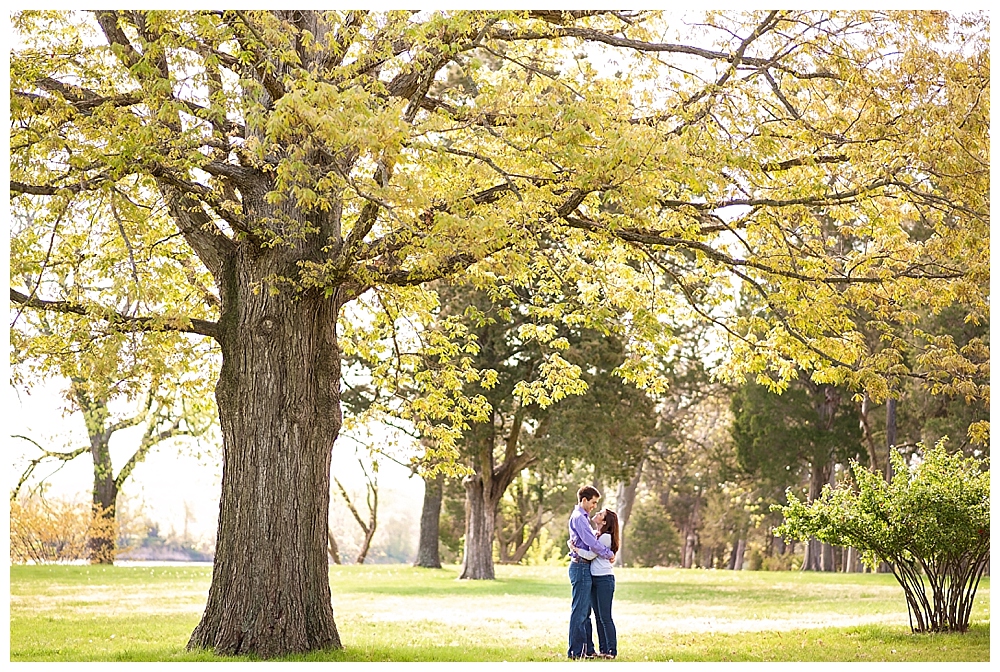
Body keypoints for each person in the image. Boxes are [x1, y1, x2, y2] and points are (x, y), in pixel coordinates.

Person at [567, 486, 614, 659]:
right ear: (584, 500)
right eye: (593, 502)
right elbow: (591, 543)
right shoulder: (580, 517)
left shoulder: (583, 518)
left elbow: (588, 539)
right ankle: (575, 652)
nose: (595, 505)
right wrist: (609, 554)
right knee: (579, 612)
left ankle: (587, 650)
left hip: (584, 566)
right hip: (580, 566)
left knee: (584, 613)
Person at [574, 508, 619, 659]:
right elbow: (590, 538)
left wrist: (574, 549)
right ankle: (604, 650)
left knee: (605, 617)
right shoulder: (598, 535)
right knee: (598, 617)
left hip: (604, 579)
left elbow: (590, 555)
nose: (597, 514)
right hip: (595, 579)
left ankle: (612, 651)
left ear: (604, 522)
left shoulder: (605, 537)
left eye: (600, 514)